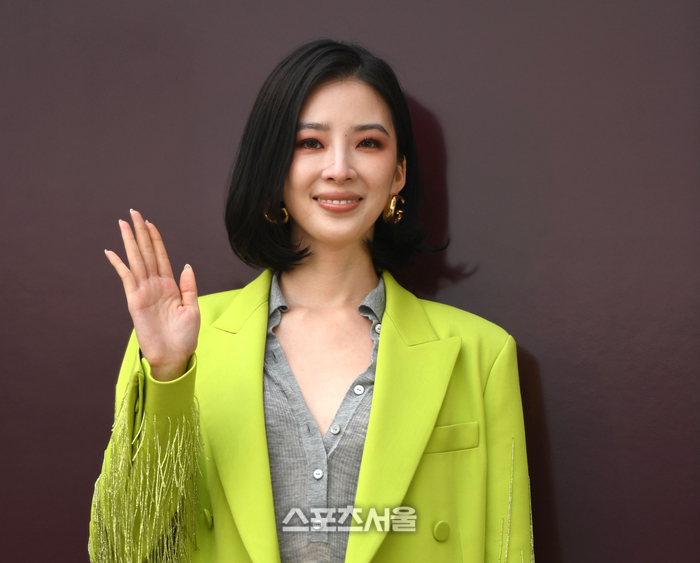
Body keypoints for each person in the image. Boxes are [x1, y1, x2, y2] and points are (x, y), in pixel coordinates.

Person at [89, 39, 534, 563]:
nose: (340, 168)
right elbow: (124, 549)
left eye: (368, 143)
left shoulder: (481, 354)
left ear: (399, 172)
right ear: (273, 167)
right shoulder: (181, 341)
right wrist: (167, 375)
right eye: (310, 143)